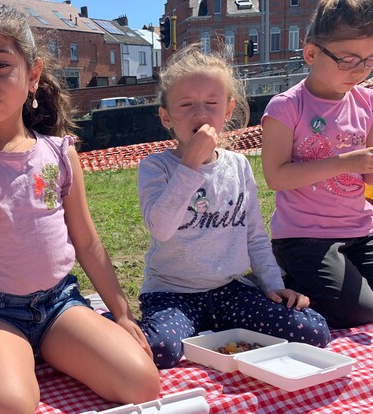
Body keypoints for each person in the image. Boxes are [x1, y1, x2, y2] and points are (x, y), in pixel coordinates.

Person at [0, 2, 160, 414]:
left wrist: (122, 313)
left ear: (31, 76)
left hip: (59, 304)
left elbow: (87, 241)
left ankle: (47, 352)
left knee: (142, 381)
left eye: (1, 65)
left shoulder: (57, 152)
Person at [137, 45, 331, 370]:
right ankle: (122, 328)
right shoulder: (156, 167)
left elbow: (255, 236)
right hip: (172, 293)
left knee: (313, 330)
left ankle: (212, 333)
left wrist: (273, 286)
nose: (200, 114)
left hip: (230, 291)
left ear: (227, 111)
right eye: (186, 105)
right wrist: (190, 165)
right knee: (159, 350)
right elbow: (161, 227)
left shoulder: (238, 166)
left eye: (211, 104)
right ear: (166, 116)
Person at [261, 0, 373, 329]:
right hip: (304, 237)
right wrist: (344, 162)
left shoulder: (367, 102)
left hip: (361, 230)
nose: (360, 70)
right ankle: (285, 277)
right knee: (361, 312)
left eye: (368, 60)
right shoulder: (286, 107)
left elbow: (367, 173)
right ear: (311, 54)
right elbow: (276, 177)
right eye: (349, 60)